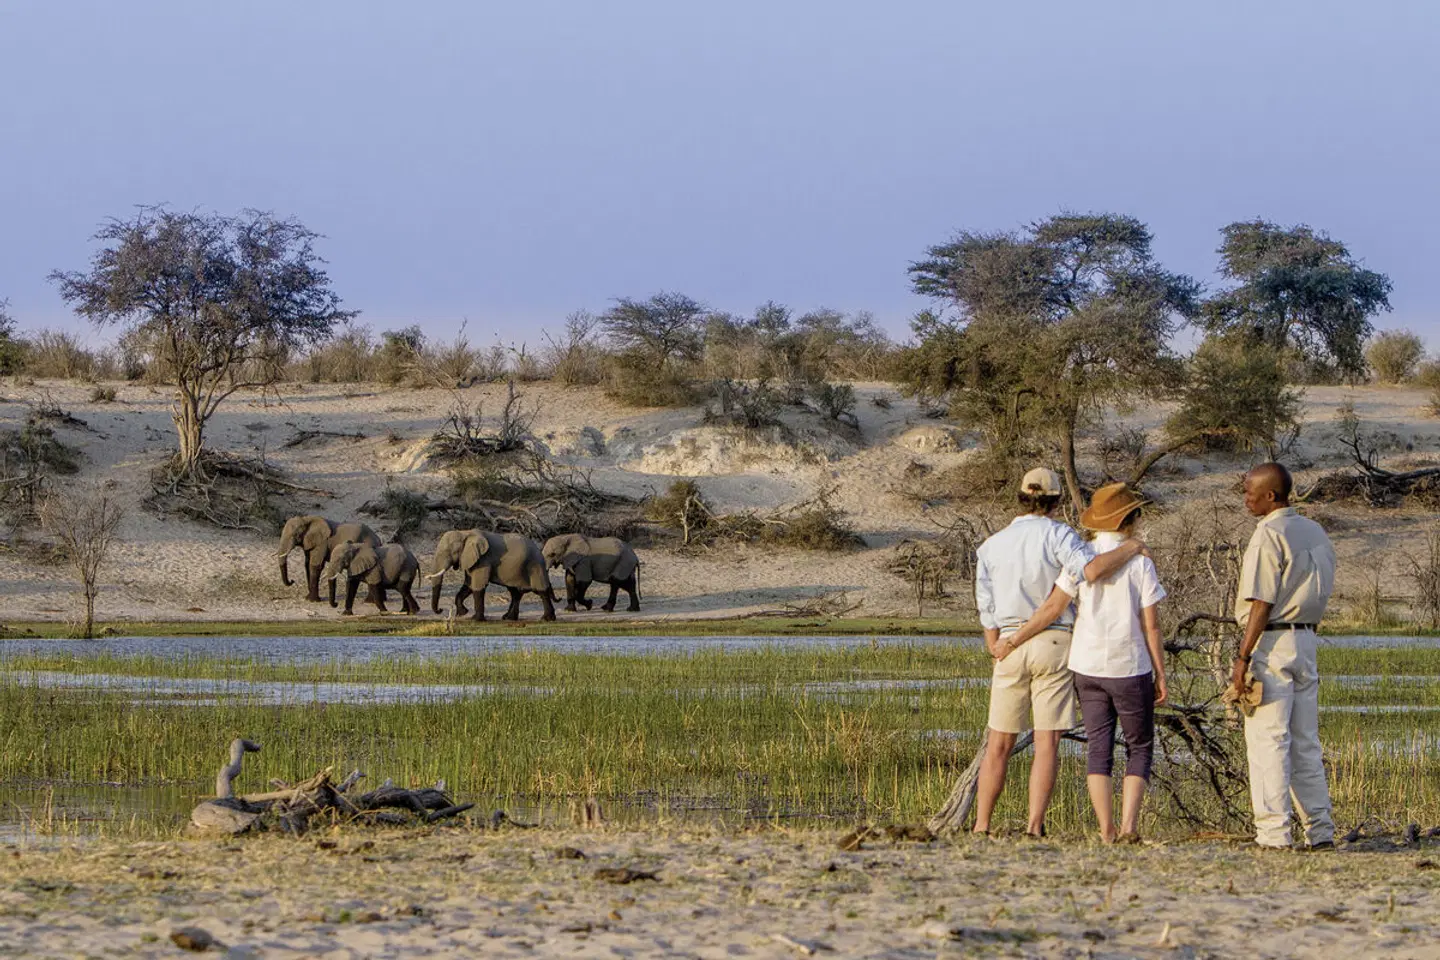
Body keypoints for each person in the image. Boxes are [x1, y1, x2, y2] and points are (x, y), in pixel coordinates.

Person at [972, 468, 1149, 837]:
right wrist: (1131, 548)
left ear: (1021, 497)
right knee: (1046, 741)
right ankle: (1034, 825)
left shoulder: (992, 545)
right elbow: (1091, 570)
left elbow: (985, 603)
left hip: (1007, 642)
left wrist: (996, 644)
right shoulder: (1059, 534)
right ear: (1056, 501)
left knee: (999, 742)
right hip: (1052, 641)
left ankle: (981, 824)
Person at [1230, 462, 1337, 850]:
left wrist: (1243, 658)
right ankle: (1320, 831)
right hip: (1306, 640)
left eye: (1250, 492)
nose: (1246, 499)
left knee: (1268, 740)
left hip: (1272, 643)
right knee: (1305, 740)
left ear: (1271, 496)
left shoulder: (1269, 534)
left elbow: (1262, 600)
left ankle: (1274, 834)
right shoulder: (1315, 531)